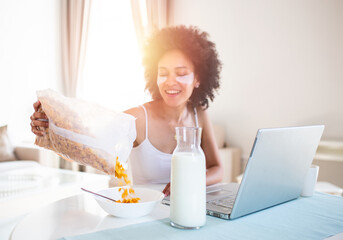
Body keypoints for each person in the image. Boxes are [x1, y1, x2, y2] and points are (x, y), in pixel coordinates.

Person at [30, 25, 223, 196]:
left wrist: (191, 182)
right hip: (147, 213)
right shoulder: (138, 117)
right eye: (163, 73)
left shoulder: (199, 114)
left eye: (181, 73)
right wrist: (50, 123)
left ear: (198, 78)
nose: (170, 81)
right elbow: (88, 137)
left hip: (190, 207)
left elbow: (217, 168)